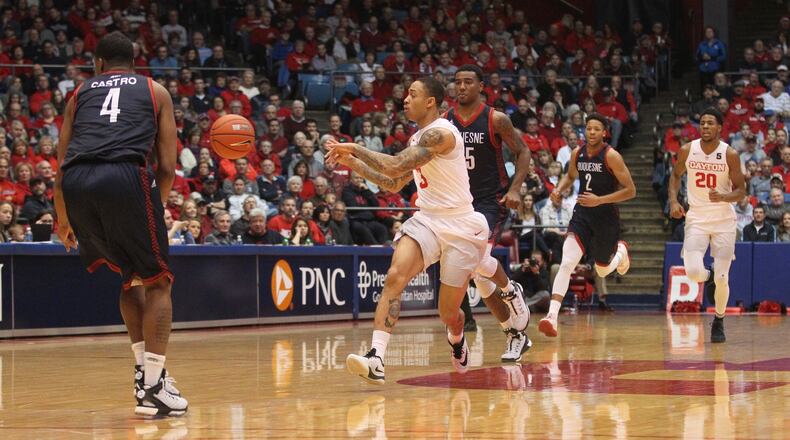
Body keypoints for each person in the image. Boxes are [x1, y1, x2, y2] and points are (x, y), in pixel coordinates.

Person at [327, 77, 521, 384]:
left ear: (430, 101)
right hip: (428, 220)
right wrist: (351, 162)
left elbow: (392, 167)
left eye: (412, 94)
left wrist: (354, 147)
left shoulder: (442, 134)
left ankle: (456, 338)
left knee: (449, 315)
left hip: (461, 225)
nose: (405, 99)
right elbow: (393, 183)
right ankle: (376, 357)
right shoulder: (417, 139)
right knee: (395, 276)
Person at [53, 32, 187, 416]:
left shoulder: (79, 94)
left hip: (78, 183)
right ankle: (154, 386)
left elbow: (62, 163)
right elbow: (165, 166)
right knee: (159, 280)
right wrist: (154, 208)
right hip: (123, 177)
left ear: (97, 63)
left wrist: (63, 217)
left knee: (130, 278)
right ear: (134, 60)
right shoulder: (155, 90)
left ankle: (144, 372)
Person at [447, 64, 532, 362]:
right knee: (480, 278)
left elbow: (523, 152)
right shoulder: (445, 122)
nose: (461, 87)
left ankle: (510, 288)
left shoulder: (496, 119)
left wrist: (516, 189)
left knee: (478, 262)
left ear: (482, 86)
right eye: (457, 82)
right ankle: (515, 335)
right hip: (459, 205)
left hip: (490, 202)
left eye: (468, 82)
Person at [538, 114, 636, 337]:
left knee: (601, 269)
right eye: (588, 128)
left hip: (606, 217)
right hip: (582, 214)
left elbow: (631, 190)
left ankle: (621, 252)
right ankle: (552, 316)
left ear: (604, 133)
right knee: (567, 262)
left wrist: (600, 200)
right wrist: (558, 190)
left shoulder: (612, 156)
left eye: (596, 129)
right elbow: (570, 176)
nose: (591, 132)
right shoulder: (577, 153)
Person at [668, 108, 747, 343]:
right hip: (697, 218)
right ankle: (708, 274)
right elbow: (675, 176)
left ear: (719, 127)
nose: (705, 127)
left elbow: (742, 191)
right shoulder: (687, 150)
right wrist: (673, 201)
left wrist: (723, 197)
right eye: (702, 123)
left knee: (723, 278)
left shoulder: (729, 154)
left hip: (723, 220)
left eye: (710, 123)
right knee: (693, 272)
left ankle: (719, 320)